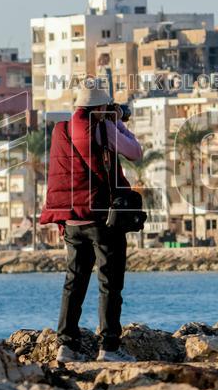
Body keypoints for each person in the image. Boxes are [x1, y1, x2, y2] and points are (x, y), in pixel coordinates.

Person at [40, 85, 142, 362]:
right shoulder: (103, 128)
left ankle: (66, 346)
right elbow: (135, 152)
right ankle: (109, 348)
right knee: (109, 284)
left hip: (72, 219)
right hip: (100, 218)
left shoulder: (61, 129)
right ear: (100, 108)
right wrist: (118, 123)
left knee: (74, 282)